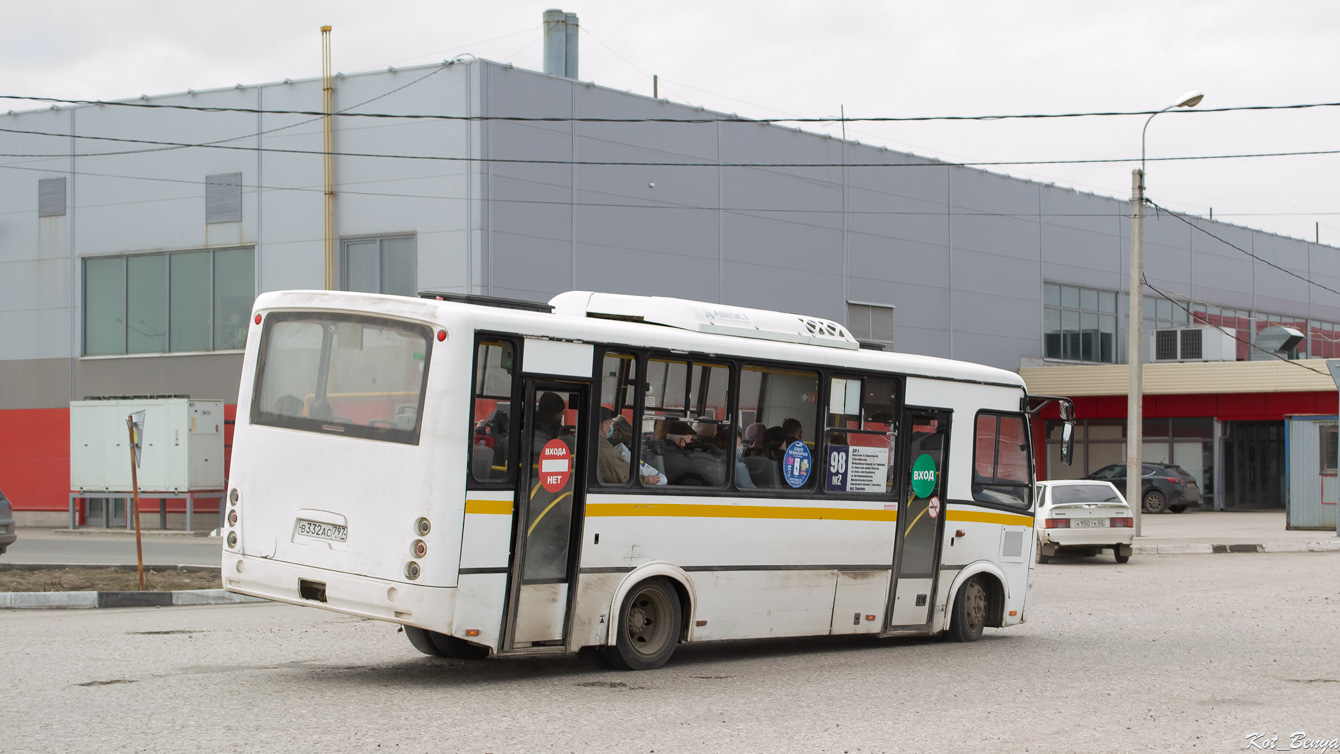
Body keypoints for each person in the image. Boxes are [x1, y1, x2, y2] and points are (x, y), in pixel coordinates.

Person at [610, 416, 665, 485]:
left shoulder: (611, 450)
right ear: (629, 437)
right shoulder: (626, 454)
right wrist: (648, 479)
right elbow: (662, 480)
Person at [596, 407, 630, 484]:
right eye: (610, 424)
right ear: (604, 425)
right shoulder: (608, 451)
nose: (611, 427)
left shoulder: (596, 443)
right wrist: (648, 479)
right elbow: (625, 478)